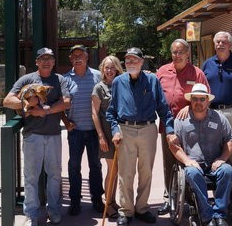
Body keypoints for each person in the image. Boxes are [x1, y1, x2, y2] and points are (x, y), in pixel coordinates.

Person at [106, 47, 177, 226]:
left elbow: (164, 109)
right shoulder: (117, 82)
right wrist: (115, 130)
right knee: (125, 173)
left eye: (134, 60)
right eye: (128, 60)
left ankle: (142, 208)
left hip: (148, 129)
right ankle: (126, 211)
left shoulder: (152, 80)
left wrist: (169, 130)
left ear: (141, 62)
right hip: (125, 130)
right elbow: (111, 112)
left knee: (146, 172)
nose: (131, 63)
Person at [2, 47, 70, 226]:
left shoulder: (59, 79)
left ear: (54, 62)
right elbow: (7, 101)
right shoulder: (27, 79)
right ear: (37, 62)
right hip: (33, 136)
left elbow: (66, 102)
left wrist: (45, 110)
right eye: (43, 59)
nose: (46, 61)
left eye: (49, 58)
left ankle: (53, 210)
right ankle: (32, 214)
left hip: (54, 135)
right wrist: (27, 103)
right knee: (31, 177)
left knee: (55, 175)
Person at [169, 83, 232, 226]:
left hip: (215, 163)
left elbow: (230, 140)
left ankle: (220, 215)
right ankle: (206, 216)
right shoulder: (181, 120)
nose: (198, 102)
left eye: (202, 99)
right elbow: (174, 145)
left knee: (228, 170)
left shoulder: (219, 118)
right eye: (195, 99)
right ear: (190, 100)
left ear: (208, 101)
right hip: (193, 163)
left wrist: (223, 158)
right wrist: (187, 161)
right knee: (192, 173)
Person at [156, 38, 209, 216]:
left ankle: (191, 196)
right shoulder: (163, 71)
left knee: (190, 159)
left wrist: (189, 104)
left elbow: (205, 97)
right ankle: (169, 198)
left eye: (181, 52)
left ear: (188, 54)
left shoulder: (197, 73)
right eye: (174, 52)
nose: (177, 55)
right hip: (168, 124)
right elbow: (156, 96)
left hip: (191, 124)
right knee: (169, 162)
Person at [201, 31, 232, 190]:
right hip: (212, 113)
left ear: (230, 45)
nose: (220, 44)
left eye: (223, 42)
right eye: (217, 42)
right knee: (214, 151)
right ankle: (220, 190)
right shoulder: (207, 64)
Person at [63, 44, 103, 216]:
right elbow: (59, 104)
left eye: (81, 54)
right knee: (74, 166)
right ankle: (74, 201)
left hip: (94, 131)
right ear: (70, 59)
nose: (77, 57)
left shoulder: (97, 76)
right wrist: (65, 121)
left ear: (87, 57)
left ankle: (96, 199)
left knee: (95, 166)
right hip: (75, 131)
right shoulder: (65, 79)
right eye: (74, 55)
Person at [91, 55, 124, 219]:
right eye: (107, 67)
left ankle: (113, 200)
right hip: (106, 132)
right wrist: (101, 137)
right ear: (102, 69)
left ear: (117, 68)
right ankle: (108, 203)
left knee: (118, 169)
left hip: (122, 132)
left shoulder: (122, 84)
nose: (110, 71)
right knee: (112, 169)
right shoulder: (99, 88)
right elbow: (94, 114)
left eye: (113, 67)